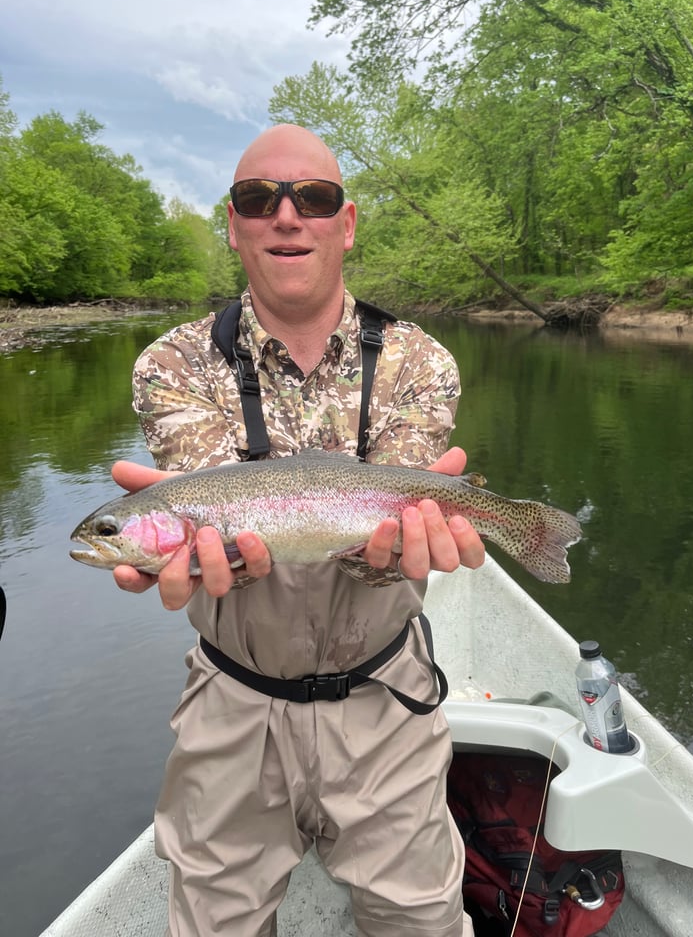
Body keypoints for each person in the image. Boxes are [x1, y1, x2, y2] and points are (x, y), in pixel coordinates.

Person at [111, 123, 485, 937]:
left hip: (388, 700)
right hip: (234, 703)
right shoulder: (170, 365)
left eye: (311, 199)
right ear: (235, 223)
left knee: (422, 923)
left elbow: (396, 521)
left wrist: (412, 545)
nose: (287, 216)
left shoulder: (420, 360)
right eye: (258, 199)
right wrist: (170, 547)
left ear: (345, 224)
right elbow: (224, 537)